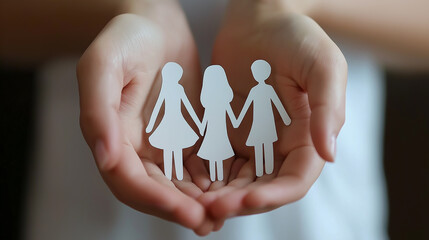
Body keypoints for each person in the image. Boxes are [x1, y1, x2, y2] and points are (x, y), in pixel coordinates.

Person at [8, 0, 426, 239]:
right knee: (177, 150)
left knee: (204, 147)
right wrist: (131, 6)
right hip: (97, 218)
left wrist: (289, 2)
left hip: (324, 222)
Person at [146, 62, 201, 180]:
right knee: (170, 147)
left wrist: (198, 122)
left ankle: (178, 175)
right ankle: (169, 175)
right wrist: (150, 125)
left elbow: (188, 106)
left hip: (177, 121)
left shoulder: (178, 88)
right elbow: (157, 106)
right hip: (168, 122)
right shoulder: (166, 89)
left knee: (175, 147)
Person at [236, 59, 291, 177]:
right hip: (263, 122)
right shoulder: (261, 90)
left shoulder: (257, 90)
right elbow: (247, 105)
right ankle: (264, 168)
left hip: (264, 122)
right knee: (266, 143)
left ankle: (263, 168)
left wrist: (238, 120)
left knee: (262, 143)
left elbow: (276, 103)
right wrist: (285, 118)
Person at [198, 65, 238, 181]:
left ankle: (217, 177)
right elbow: (234, 120)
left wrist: (200, 127)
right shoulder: (222, 102)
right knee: (217, 151)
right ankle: (217, 177)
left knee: (213, 151)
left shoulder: (212, 103)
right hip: (218, 132)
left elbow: (206, 118)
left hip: (214, 133)